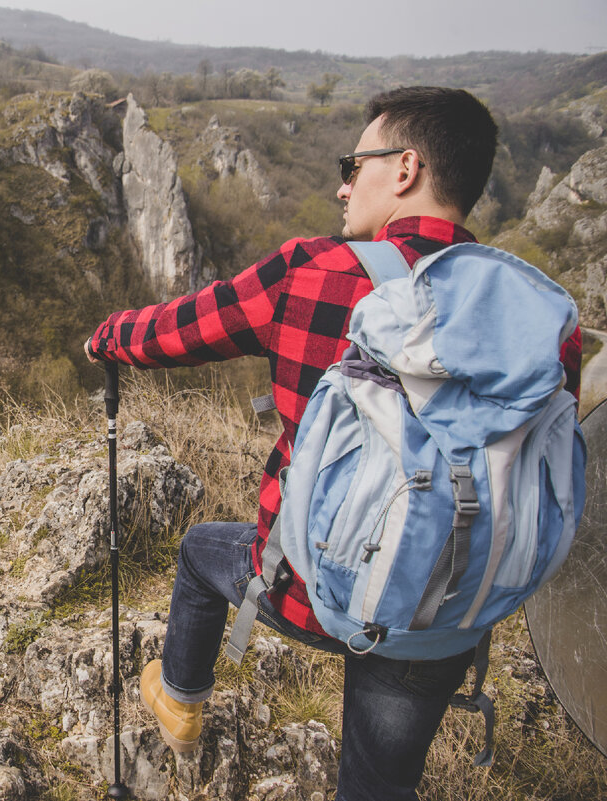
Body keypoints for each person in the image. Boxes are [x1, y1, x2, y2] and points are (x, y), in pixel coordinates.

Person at [84, 86, 582, 801]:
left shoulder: (313, 273)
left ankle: (181, 696)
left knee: (200, 552)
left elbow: (181, 329)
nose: (341, 184)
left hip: (310, 589)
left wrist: (109, 338)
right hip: (447, 610)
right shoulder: (537, 316)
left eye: (356, 164)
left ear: (404, 169)